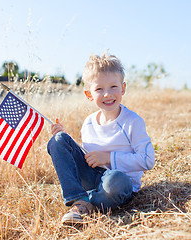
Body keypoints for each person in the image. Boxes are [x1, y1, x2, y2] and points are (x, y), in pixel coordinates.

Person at [47, 52, 155, 224]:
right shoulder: (88, 123)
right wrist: (68, 141)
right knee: (58, 140)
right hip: (93, 179)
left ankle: (89, 203)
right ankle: (79, 198)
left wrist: (109, 158)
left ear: (123, 88)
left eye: (113, 86)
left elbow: (148, 160)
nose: (107, 94)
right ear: (89, 94)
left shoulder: (133, 122)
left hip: (118, 183)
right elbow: (88, 158)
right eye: (99, 89)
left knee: (115, 181)